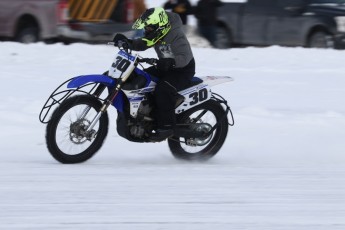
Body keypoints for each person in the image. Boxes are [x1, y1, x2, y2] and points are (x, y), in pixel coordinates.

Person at [113, 7, 195, 141]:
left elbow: (184, 57)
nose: (146, 31)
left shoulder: (175, 34)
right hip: (165, 66)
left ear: (159, 25)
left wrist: (172, 62)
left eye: (149, 28)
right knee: (141, 79)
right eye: (146, 28)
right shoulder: (158, 32)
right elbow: (144, 43)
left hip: (182, 69)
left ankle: (167, 127)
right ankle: (146, 116)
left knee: (163, 89)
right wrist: (128, 42)